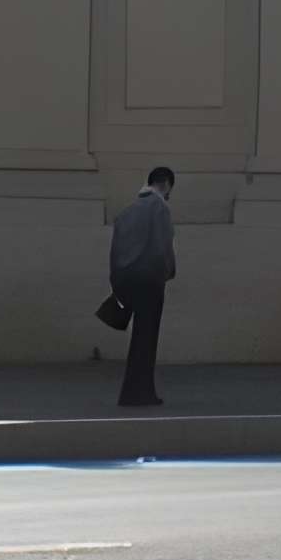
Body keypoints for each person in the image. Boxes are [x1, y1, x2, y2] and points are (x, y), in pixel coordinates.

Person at [108, 166, 178, 409]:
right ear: (167, 184)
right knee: (147, 340)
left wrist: (117, 283)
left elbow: (115, 251)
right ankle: (141, 392)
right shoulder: (160, 208)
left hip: (129, 281)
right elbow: (162, 248)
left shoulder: (127, 212)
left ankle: (131, 392)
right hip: (150, 280)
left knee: (138, 338)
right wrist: (167, 273)